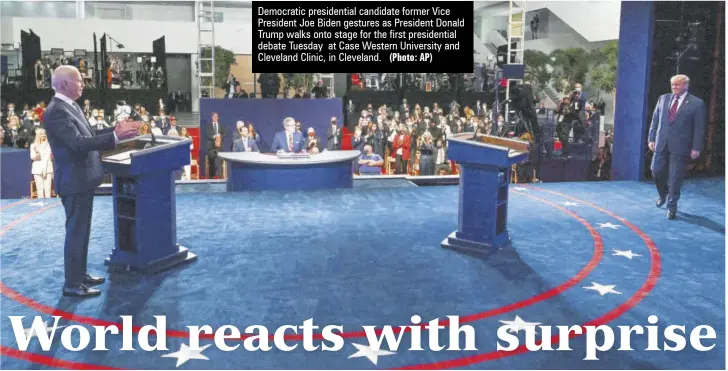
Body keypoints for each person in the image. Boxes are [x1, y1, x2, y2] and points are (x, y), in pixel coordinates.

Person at [44, 65, 141, 297]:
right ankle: (72, 285)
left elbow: (89, 135)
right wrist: (116, 138)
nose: (83, 84)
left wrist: (114, 130)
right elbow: (78, 144)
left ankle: (80, 275)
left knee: (82, 231)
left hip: (82, 180)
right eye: (79, 81)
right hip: (73, 181)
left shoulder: (70, 106)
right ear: (65, 84)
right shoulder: (56, 111)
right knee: (77, 232)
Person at [648, 74, 705, 220]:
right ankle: (663, 194)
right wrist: (651, 138)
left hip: (681, 146)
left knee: (675, 178)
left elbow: (699, 128)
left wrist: (696, 148)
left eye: (677, 85)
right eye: (672, 84)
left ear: (686, 86)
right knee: (656, 171)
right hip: (661, 143)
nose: (674, 87)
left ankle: (672, 207)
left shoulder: (697, 103)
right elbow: (655, 120)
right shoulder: (663, 98)